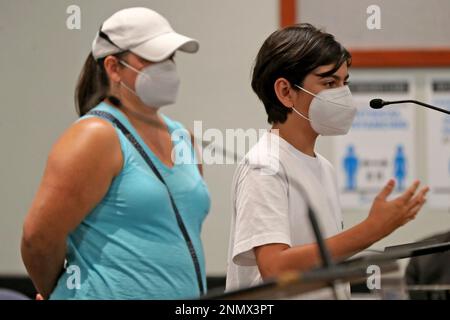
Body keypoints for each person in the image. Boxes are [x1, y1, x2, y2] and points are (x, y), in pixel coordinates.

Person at [226, 23, 429, 299]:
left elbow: (322, 260)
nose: (342, 94)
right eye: (329, 83)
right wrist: (371, 230)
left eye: (345, 83)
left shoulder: (324, 168)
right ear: (286, 92)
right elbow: (274, 267)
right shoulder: (264, 166)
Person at [21, 7, 210, 300]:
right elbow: (38, 239)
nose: (168, 67)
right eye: (152, 58)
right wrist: (64, 292)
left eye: (170, 57)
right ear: (113, 67)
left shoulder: (184, 139)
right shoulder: (97, 135)